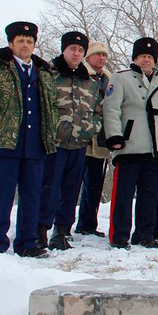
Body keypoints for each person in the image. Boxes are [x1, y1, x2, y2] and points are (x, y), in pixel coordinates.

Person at [0, 21, 57, 258]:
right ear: (10, 43)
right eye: (20, 41)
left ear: (34, 44)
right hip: (6, 143)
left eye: (29, 41)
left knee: (32, 195)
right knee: (2, 194)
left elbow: (51, 106)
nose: (25, 45)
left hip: (36, 144)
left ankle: (27, 243)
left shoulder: (43, 72)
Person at [102, 37, 158, 249]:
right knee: (123, 196)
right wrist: (114, 136)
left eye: (150, 57)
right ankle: (119, 236)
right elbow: (111, 109)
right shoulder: (120, 78)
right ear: (135, 58)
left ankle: (144, 234)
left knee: (149, 195)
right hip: (129, 146)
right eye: (142, 56)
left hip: (155, 148)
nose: (146, 60)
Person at [37, 31, 102, 250]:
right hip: (54, 143)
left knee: (71, 190)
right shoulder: (48, 74)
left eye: (80, 50)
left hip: (79, 144)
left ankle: (61, 232)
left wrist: (91, 129)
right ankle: (40, 232)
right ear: (63, 49)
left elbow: (98, 109)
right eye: (72, 49)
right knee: (48, 188)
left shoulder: (89, 81)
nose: (76, 53)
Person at [75, 41, 112, 238]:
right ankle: (61, 225)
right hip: (79, 137)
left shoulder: (108, 79)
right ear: (88, 57)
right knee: (72, 184)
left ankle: (88, 223)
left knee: (94, 184)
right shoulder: (81, 75)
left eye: (104, 55)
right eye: (98, 55)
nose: (101, 58)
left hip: (100, 138)